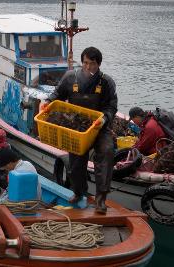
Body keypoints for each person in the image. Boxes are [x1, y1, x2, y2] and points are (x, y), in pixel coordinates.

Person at [44, 46, 118, 214]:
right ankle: (78, 192)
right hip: (76, 127)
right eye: (85, 63)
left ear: (98, 64)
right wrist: (48, 101)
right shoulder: (71, 77)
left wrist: (104, 118)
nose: (87, 67)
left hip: (99, 127)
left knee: (106, 153)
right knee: (76, 163)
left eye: (92, 64)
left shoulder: (106, 82)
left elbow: (111, 107)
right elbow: (57, 94)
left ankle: (101, 198)